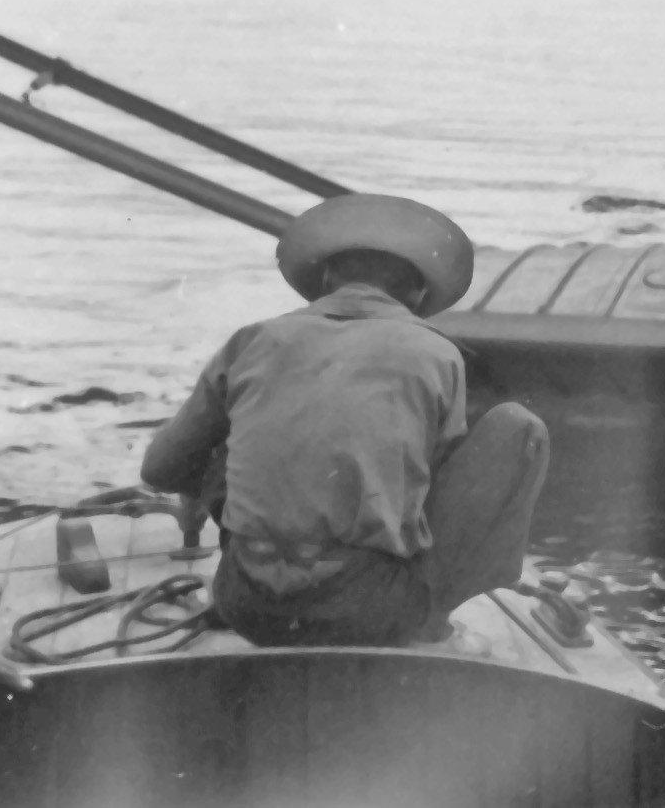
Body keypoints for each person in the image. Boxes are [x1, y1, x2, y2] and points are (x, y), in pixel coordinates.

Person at [142, 193, 548, 648]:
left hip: (245, 604)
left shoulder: (252, 339)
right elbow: (431, 488)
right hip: (366, 613)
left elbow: (160, 469)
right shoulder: (437, 353)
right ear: (417, 294)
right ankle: (431, 619)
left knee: (226, 430)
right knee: (518, 429)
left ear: (326, 280)